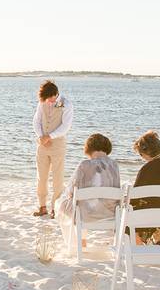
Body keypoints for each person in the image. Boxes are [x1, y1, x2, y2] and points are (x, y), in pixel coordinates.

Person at [56, 134, 121, 252]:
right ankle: (82, 241)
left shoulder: (84, 165)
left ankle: (79, 243)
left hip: (86, 215)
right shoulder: (114, 165)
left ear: (89, 148)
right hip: (109, 215)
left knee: (60, 203)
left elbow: (71, 190)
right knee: (83, 202)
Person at [32, 80, 73, 218]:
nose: (48, 102)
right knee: (41, 177)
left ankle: (55, 208)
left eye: (50, 98)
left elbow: (66, 127)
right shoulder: (42, 102)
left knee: (57, 178)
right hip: (42, 144)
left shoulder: (66, 104)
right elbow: (36, 121)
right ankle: (42, 206)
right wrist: (41, 136)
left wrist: (50, 136)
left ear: (56, 94)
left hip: (57, 145)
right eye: (46, 99)